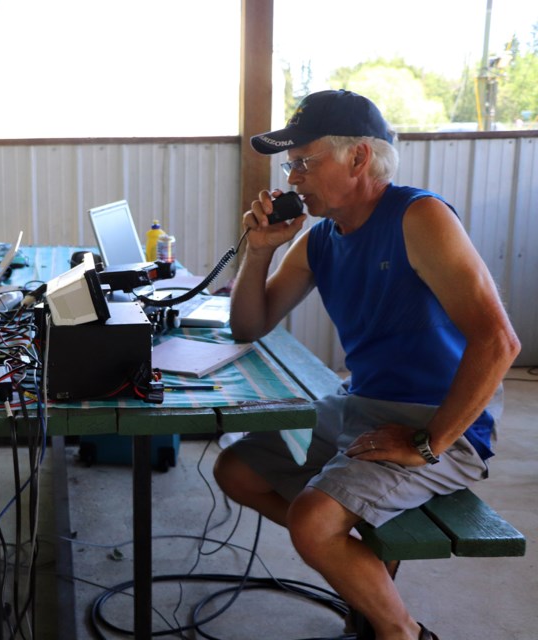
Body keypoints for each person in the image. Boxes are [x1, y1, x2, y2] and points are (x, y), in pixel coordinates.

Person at [213, 90, 520, 640]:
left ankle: (399, 631)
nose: (294, 178)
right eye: (291, 164)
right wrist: (258, 251)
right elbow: (248, 326)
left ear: (358, 158)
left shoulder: (418, 215)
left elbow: (499, 342)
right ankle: (365, 557)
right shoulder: (319, 240)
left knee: (312, 520)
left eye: (305, 161)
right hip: (360, 407)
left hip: (441, 422)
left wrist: (429, 443)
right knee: (236, 469)